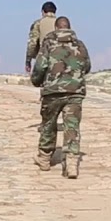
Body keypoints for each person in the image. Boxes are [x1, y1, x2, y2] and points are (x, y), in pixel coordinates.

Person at [29, 16, 90, 179]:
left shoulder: (48, 44)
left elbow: (40, 67)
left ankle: (44, 159)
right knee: (72, 127)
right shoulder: (80, 44)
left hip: (53, 91)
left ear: (56, 28)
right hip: (75, 91)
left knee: (49, 124)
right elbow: (87, 66)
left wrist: (36, 81)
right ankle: (71, 164)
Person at [24, 1, 59, 74]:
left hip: (44, 59)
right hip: (61, 60)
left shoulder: (38, 23)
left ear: (43, 11)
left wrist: (28, 61)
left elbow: (32, 44)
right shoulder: (61, 23)